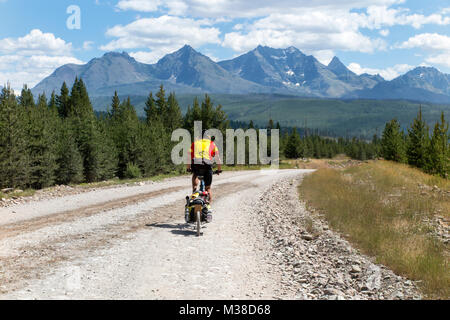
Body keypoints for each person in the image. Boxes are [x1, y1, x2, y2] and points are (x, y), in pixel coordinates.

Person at [187, 131, 222, 204]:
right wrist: (219, 170)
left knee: (195, 174)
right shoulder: (212, 144)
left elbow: (189, 156)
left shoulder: (194, 143)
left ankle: (194, 190)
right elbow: (218, 158)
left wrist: (188, 168)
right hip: (207, 166)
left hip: (196, 165)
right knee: (208, 188)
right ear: (208, 137)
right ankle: (208, 207)